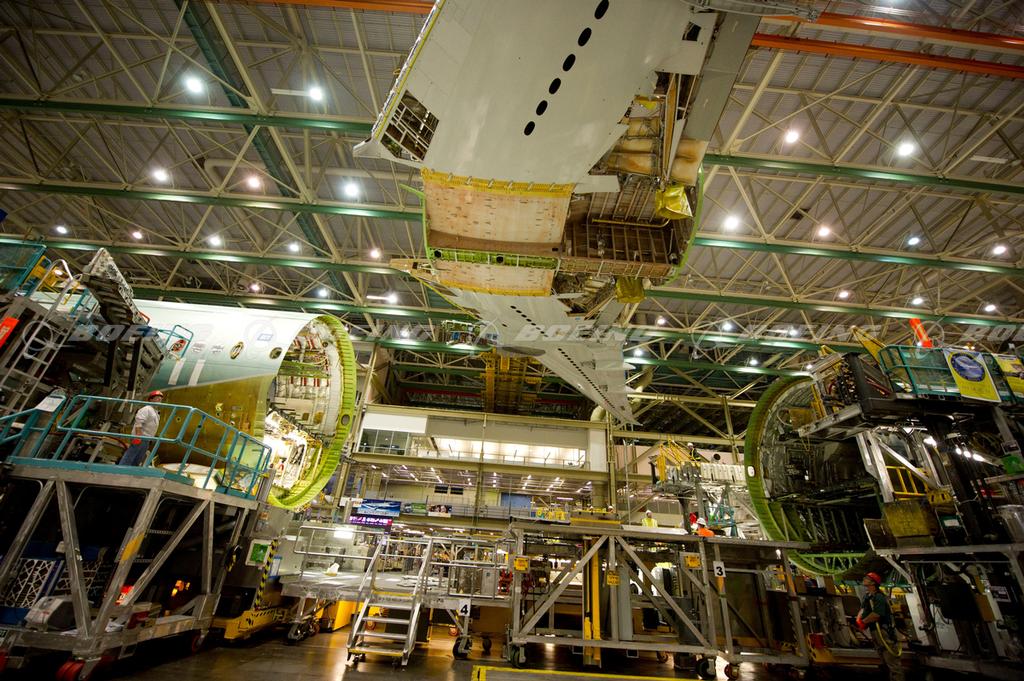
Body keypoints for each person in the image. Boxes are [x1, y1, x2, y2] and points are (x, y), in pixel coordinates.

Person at [856, 572, 903, 681]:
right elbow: (863, 610)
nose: (863, 579)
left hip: (883, 631)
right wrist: (859, 620)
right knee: (884, 661)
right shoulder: (867, 596)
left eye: (866, 578)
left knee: (892, 662)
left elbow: (877, 614)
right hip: (875, 631)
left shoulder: (879, 597)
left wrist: (863, 622)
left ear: (873, 583)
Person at [118, 390, 163, 466]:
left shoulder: (155, 412)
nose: (159, 399)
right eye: (157, 397)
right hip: (140, 437)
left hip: (146, 439)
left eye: (160, 398)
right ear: (151, 399)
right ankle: (121, 469)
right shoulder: (146, 409)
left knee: (138, 459)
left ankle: (131, 471)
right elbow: (139, 421)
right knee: (130, 457)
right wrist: (138, 436)